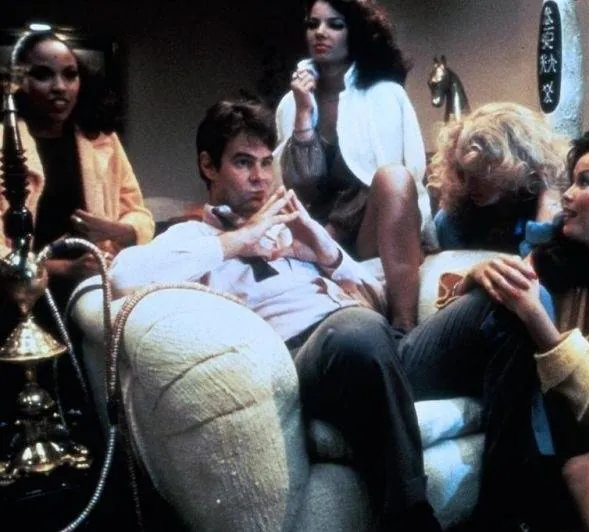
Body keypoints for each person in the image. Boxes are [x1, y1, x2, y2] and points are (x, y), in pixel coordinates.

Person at [109, 99, 443, 531]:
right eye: (243, 163)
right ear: (209, 166)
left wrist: (323, 250)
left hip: (373, 347)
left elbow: (378, 297)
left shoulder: (289, 229)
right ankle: (412, 518)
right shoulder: (192, 237)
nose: (260, 178)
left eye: (267, 163)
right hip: (309, 354)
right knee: (356, 329)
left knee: (489, 313)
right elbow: (122, 276)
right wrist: (240, 240)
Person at [401, 128, 589, 530]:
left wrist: (535, 316)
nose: (568, 195)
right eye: (571, 181)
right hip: (558, 425)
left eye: (586, 182)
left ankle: (506, 513)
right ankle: (506, 513)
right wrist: (479, 273)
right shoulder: (562, 258)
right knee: (507, 309)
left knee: (523, 317)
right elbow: (468, 318)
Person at [274, 0, 435, 332]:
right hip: (312, 235)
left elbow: (406, 181)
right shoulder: (290, 104)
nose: (320, 32)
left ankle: (403, 326)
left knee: (392, 177)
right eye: (313, 24)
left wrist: (334, 231)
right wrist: (303, 113)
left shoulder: (386, 95)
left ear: (355, 33)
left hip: (368, 230)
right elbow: (300, 185)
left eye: (335, 24)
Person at [0, 29, 154, 327]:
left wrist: (118, 230)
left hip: (92, 297)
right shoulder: (5, 143)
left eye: (70, 75)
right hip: (17, 300)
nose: (60, 87)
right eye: (43, 75)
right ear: (19, 82)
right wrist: (62, 268)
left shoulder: (102, 141)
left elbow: (139, 214)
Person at [428, 102, 569, 255]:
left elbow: (545, 265)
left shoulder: (561, 206)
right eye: (462, 172)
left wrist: (548, 201)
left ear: (514, 167)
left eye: (481, 173)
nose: (469, 183)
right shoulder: (452, 219)